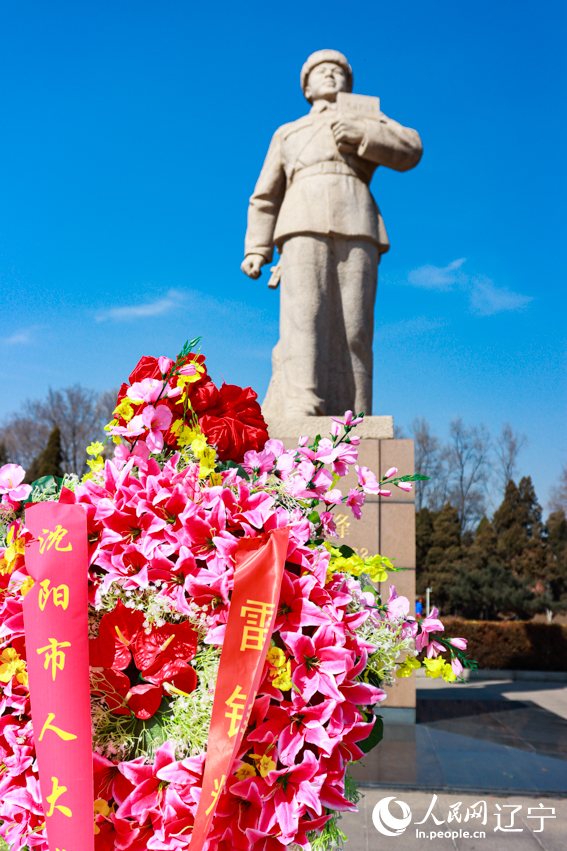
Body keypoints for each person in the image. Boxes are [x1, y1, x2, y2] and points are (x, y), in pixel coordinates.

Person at [241, 49, 422, 419]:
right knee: (304, 317)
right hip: (300, 219)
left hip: (358, 219)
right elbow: (264, 195)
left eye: (338, 71)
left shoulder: (363, 118)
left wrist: (365, 133)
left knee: (355, 326)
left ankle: (354, 412)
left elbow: (411, 149)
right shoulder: (288, 132)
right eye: (320, 71)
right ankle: (301, 405)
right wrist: (257, 248)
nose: (330, 75)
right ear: (306, 88)